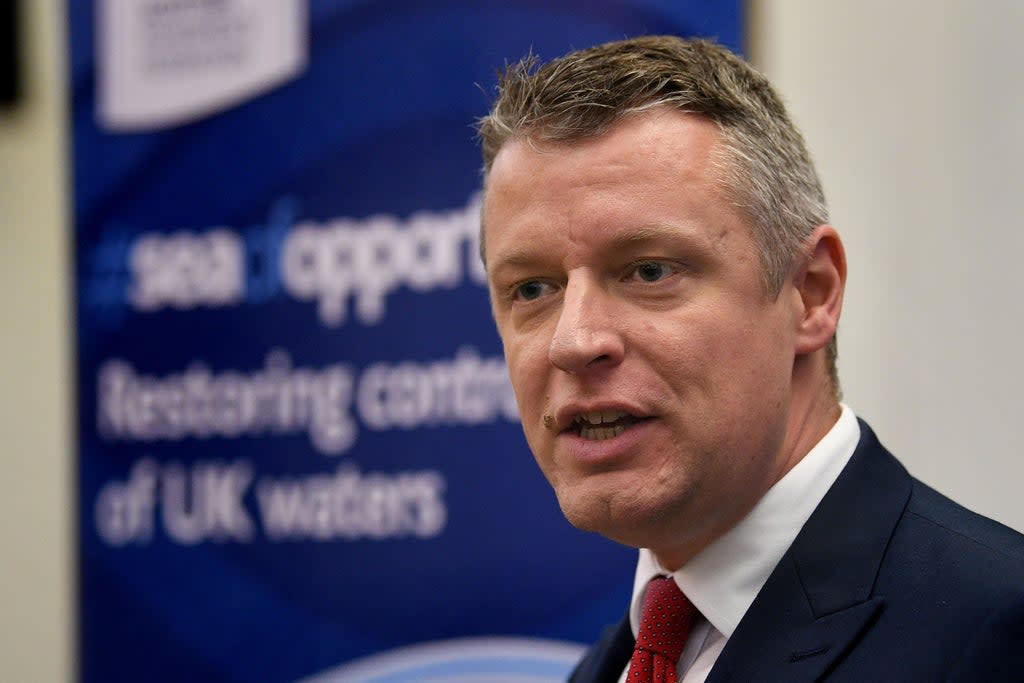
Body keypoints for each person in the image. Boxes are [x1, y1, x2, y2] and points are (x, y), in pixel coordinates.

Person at [476, 36, 1024, 682]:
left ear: (811, 293)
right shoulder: (608, 667)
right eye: (532, 289)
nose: (573, 340)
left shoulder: (995, 631)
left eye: (649, 270)